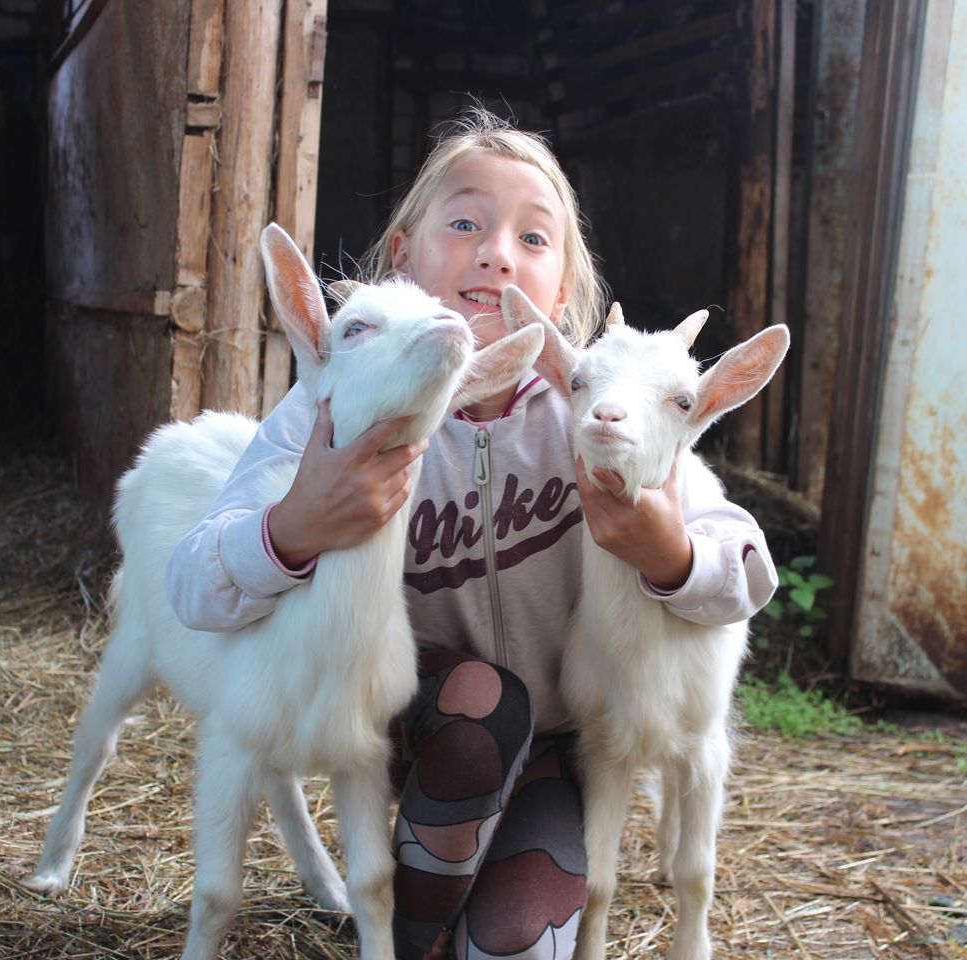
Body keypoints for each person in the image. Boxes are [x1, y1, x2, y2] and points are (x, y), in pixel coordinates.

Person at [166, 108, 778, 960]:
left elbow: (747, 571)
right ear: (402, 256)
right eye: (464, 223)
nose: (496, 251)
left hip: (550, 752)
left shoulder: (598, 415)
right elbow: (194, 585)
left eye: (534, 237)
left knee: (520, 947)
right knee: (482, 708)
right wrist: (292, 528)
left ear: (560, 293)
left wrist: (670, 555)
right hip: (415, 724)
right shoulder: (334, 409)